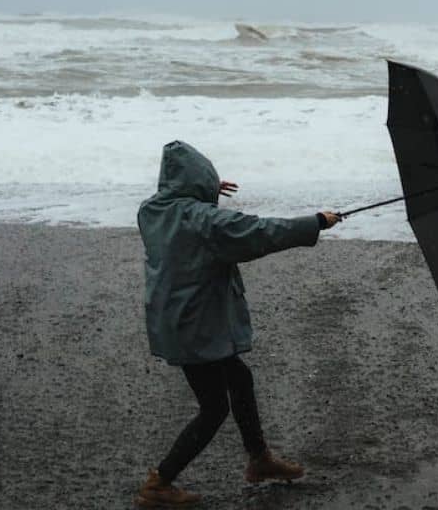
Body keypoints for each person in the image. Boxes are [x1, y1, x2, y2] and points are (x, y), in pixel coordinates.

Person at [133, 140, 341, 508]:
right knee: (213, 408)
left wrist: (205, 191)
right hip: (195, 326)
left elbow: (184, 210)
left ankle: (259, 460)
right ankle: (159, 483)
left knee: (239, 378)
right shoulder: (203, 221)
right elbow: (259, 232)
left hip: (177, 319)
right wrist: (315, 223)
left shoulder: (151, 212)